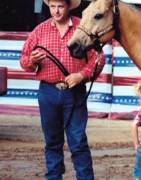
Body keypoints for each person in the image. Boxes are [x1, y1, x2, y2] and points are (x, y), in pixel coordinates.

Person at [19, 0, 105, 179]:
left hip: (74, 93)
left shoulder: (82, 27)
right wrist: (32, 61)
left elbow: (98, 58)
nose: (56, 11)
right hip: (48, 92)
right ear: (49, 7)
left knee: (78, 142)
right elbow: (24, 59)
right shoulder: (40, 30)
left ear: (68, 7)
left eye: (60, 6)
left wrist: (81, 75)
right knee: (52, 143)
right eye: (52, 7)